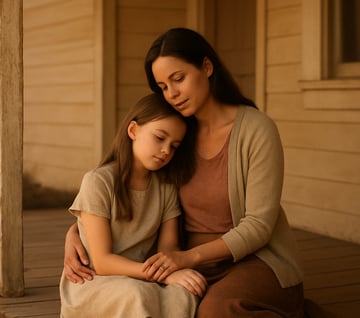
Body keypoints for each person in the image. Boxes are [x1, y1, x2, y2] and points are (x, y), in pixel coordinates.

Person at [64, 28, 305, 317]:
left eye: (178, 79)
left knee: (213, 312)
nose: (172, 94)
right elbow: (131, 190)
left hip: (252, 259)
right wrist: (77, 233)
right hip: (184, 263)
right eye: (163, 86)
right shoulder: (177, 135)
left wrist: (187, 258)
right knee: (177, 304)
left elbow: (259, 226)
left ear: (206, 66)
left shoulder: (256, 130)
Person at [59, 93, 207, 318]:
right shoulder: (99, 181)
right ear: (133, 131)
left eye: (174, 146)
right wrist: (162, 276)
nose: (166, 150)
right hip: (95, 280)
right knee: (136, 294)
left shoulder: (165, 187)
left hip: (143, 276)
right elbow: (102, 262)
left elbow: (168, 249)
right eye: (159, 138)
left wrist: (172, 272)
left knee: (184, 293)